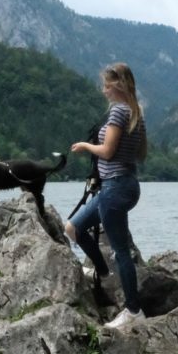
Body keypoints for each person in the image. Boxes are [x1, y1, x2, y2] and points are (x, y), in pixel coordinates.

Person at [66, 62, 148, 329]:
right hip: (122, 184)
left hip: (115, 187)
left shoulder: (119, 113)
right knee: (73, 227)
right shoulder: (135, 113)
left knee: (121, 252)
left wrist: (86, 146)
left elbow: (109, 151)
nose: (103, 91)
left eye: (106, 85)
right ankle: (100, 272)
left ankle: (133, 312)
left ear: (118, 86)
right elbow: (135, 154)